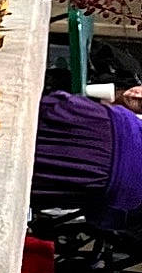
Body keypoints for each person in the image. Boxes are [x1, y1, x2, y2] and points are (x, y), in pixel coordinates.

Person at [34, 84, 142, 226]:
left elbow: (50, 105)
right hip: (36, 186)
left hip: (103, 125)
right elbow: (99, 218)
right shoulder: (130, 202)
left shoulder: (121, 122)